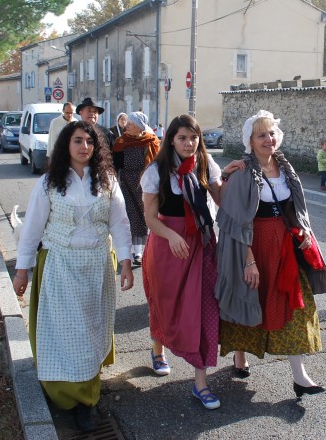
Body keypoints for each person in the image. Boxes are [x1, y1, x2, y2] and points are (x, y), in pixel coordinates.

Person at [12, 121, 134, 432]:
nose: (84, 146)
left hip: (95, 265)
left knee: (90, 331)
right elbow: (32, 230)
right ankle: (63, 395)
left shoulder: (107, 180)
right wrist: (22, 269)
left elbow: (119, 223)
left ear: (96, 147)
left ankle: (87, 401)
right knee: (64, 332)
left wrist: (125, 263)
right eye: (78, 140)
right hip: (60, 265)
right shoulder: (49, 183)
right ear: (66, 145)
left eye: (90, 141)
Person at [215, 109, 325, 399]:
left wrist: (303, 232)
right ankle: (240, 356)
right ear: (249, 141)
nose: (268, 139)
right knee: (250, 298)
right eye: (261, 135)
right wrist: (248, 261)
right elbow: (238, 223)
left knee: (294, 305)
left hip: (284, 248)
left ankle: (300, 376)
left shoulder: (285, 168)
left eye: (272, 133)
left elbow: (296, 208)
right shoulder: (241, 173)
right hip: (254, 245)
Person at [140, 114, 230, 409]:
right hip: (168, 246)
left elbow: (222, 201)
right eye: (182, 138)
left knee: (202, 309)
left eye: (193, 137)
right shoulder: (157, 171)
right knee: (164, 304)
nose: (189, 143)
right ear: (171, 140)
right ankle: (158, 348)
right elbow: (150, 218)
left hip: (202, 244)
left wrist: (235, 175)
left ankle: (200, 384)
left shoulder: (206, 164)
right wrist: (171, 237)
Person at [112, 111, 161, 267]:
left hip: (147, 184)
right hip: (126, 183)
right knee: (131, 216)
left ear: (140, 126)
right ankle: (137, 251)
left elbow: (157, 163)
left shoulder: (151, 141)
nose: (127, 126)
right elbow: (116, 165)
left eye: (131, 124)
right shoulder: (121, 142)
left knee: (147, 215)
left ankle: (150, 248)